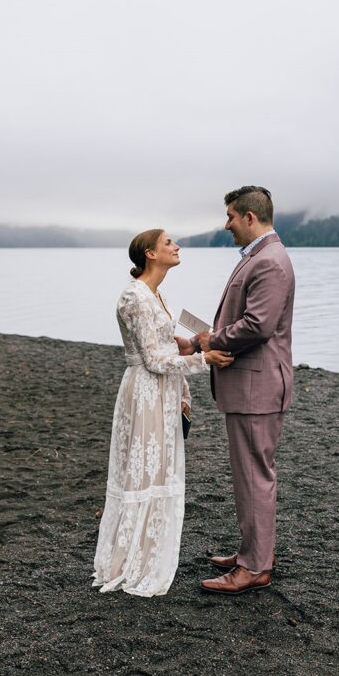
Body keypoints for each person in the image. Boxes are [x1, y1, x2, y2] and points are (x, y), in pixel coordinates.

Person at [92, 229, 233, 596]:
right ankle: (132, 560)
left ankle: (146, 550)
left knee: (156, 470)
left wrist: (188, 342)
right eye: (169, 243)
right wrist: (205, 360)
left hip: (163, 391)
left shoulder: (155, 293)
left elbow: (162, 342)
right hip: (145, 391)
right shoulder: (135, 297)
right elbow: (153, 360)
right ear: (150, 254)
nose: (176, 247)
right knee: (143, 473)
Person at [177, 186, 296, 594]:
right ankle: (253, 551)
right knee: (249, 475)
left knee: (254, 475)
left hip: (258, 386)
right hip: (251, 385)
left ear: (249, 217)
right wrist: (195, 343)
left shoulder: (271, 262)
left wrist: (211, 342)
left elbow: (258, 325)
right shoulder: (259, 257)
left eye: (230, 216)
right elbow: (241, 321)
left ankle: (255, 567)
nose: (226, 224)